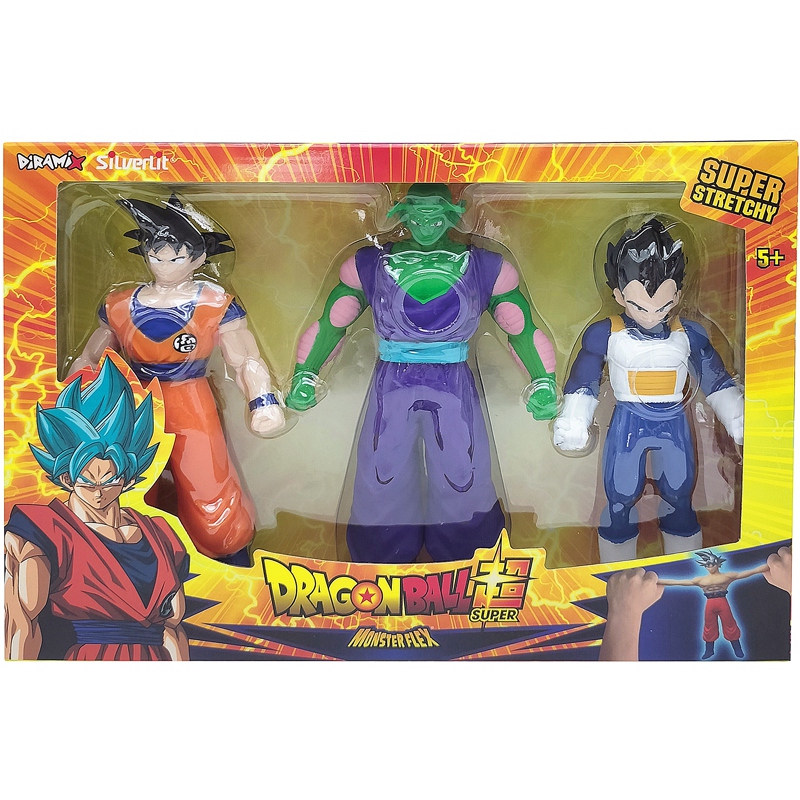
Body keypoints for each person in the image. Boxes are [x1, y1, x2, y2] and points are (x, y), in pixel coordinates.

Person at [285, 183, 558, 563]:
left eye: (435, 215)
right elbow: (332, 323)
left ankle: (468, 556)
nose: (426, 224)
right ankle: (382, 556)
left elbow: (520, 328)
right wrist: (306, 374)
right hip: (393, 380)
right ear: (403, 216)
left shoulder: (486, 267)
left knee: (462, 470)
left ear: (451, 215)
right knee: (383, 468)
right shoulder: (369, 264)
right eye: (417, 215)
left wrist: (543, 382)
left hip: (453, 382)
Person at [69, 194, 285, 560]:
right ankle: (126, 555)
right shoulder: (119, 304)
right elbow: (91, 358)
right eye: (156, 255)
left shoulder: (214, 303)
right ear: (145, 253)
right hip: (132, 403)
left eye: (176, 257)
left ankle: (224, 553)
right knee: (127, 482)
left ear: (199, 258)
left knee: (207, 483)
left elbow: (245, 358)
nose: (165, 264)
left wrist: (262, 401)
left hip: (191, 400)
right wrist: (76, 405)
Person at [554, 218, 743, 563]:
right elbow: (584, 379)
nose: (651, 315)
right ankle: (618, 572)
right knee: (619, 498)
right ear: (618, 295)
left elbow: (715, 377)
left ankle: (686, 568)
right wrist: (575, 419)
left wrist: (736, 415)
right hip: (628, 421)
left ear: (678, 296)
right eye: (640, 306)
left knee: (680, 495)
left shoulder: (689, 333)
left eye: (662, 306)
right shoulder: (607, 332)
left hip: (673, 421)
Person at [4, 358, 190, 661]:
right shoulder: (44, 531)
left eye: (110, 480)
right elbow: (21, 622)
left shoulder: (161, 535)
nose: (99, 491)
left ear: (127, 478)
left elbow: (173, 628)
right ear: (67, 479)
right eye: (87, 481)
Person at [658, 550, 769, 659]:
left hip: (722, 601)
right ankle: (709, 650)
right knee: (709, 627)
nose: (710, 567)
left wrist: (767, 566)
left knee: (730, 624)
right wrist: (658, 581)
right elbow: (677, 582)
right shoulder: (700, 580)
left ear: (718, 564)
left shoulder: (727, 576)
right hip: (710, 603)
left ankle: (737, 648)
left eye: (712, 564)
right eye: (707, 565)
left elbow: (749, 572)